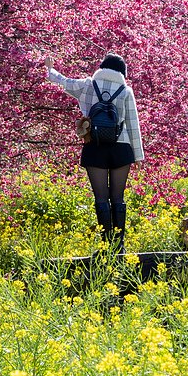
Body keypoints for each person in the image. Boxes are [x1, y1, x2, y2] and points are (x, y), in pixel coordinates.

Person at [45, 52, 144, 252]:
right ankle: (120, 246)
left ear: (102, 67)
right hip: (121, 146)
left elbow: (63, 82)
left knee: (100, 197)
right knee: (118, 198)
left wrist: (50, 68)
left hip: (95, 145)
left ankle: (105, 245)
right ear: (122, 72)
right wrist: (138, 155)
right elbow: (133, 124)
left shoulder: (88, 85)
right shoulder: (126, 90)